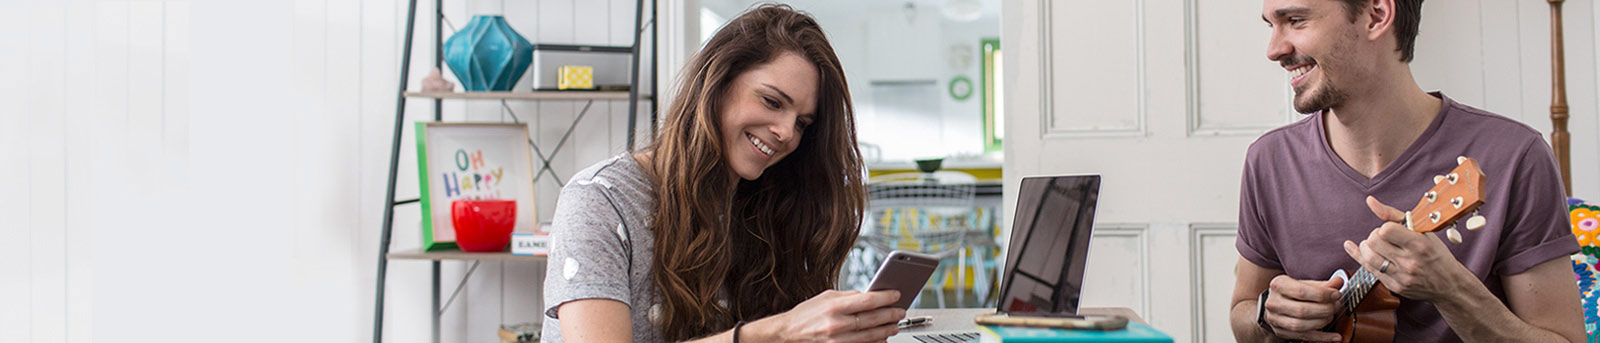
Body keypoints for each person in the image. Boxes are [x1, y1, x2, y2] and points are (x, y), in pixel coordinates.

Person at [540, 4, 906, 343]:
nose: (786, 132)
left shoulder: (764, 209)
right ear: (716, 83)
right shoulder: (599, 200)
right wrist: (779, 330)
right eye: (772, 101)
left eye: (802, 123)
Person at [1228, 0, 1587, 342]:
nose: (1273, 49)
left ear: (1376, 15)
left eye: (1295, 20)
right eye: (1271, 25)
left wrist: (1453, 291)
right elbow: (1242, 312)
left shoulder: (1513, 156)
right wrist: (1268, 316)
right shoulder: (1270, 160)